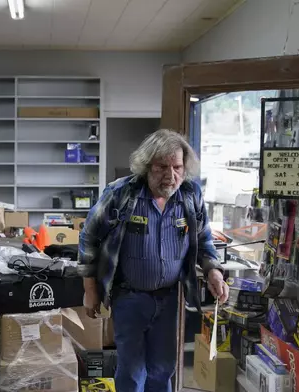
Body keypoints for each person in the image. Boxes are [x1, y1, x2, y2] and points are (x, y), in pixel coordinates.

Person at [78, 129, 229, 392]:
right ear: (147, 166)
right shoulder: (120, 194)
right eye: (162, 167)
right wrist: (90, 290)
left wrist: (214, 271)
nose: (171, 176)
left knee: (163, 369)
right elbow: (88, 239)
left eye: (178, 167)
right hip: (130, 298)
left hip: (170, 299)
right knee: (132, 371)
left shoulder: (190, 195)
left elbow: (204, 239)